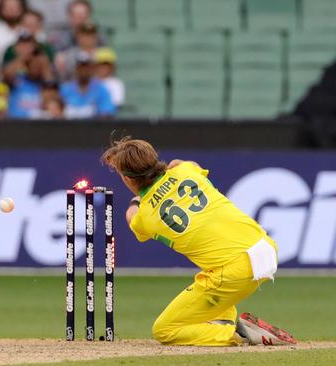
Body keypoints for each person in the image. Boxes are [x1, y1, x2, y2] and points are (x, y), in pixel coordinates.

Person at [101, 136, 298, 346]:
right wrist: (178, 164)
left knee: (164, 330)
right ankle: (228, 323)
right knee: (208, 290)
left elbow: (132, 216)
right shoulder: (185, 171)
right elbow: (191, 165)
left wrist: (136, 199)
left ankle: (238, 336)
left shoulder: (146, 216)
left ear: (128, 179)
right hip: (265, 247)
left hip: (233, 272)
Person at [59, 51, 115, 119]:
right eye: (81, 67)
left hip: (94, 128)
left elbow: (107, 112)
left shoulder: (101, 90)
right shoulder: (64, 89)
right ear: (76, 69)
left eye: (86, 67)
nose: (83, 71)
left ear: (92, 69)